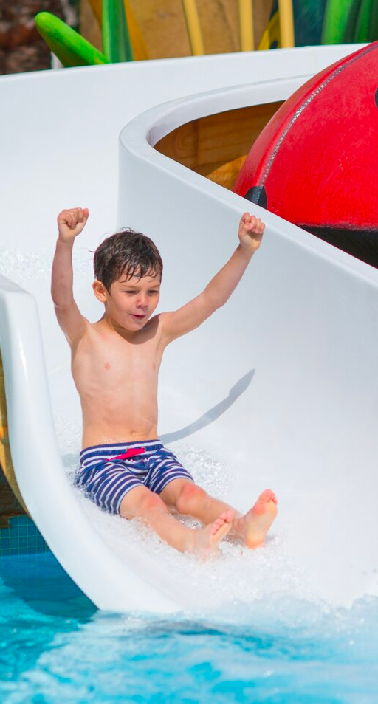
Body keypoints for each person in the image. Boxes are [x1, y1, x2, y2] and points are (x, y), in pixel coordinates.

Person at [51, 207, 278, 557]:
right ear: (100, 291)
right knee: (150, 504)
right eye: (131, 291)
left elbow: (211, 300)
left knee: (190, 495)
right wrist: (65, 243)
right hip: (103, 462)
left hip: (152, 452)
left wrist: (244, 250)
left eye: (152, 291)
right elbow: (61, 299)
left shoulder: (158, 332)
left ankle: (243, 527)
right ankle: (190, 542)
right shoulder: (85, 337)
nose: (143, 303)